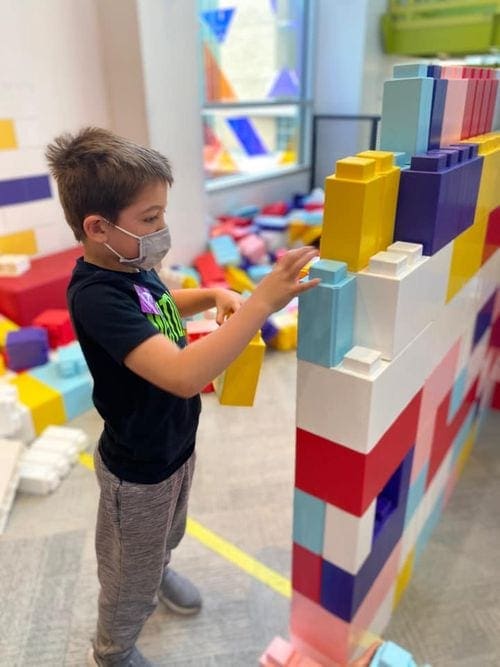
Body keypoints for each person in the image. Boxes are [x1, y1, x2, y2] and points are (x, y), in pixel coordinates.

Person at [45, 127, 320, 667]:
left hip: (174, 445)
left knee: (168, 531)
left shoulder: (133, 266)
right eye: (150, 219)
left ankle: (157, 564)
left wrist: (215, 293)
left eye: (162, 214)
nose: (162, 229)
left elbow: (167, 300)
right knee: (127, 577)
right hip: (137, 467)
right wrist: (262, 303)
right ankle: (113, 649)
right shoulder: (98, 296)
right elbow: (182, 375)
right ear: (98, 228)